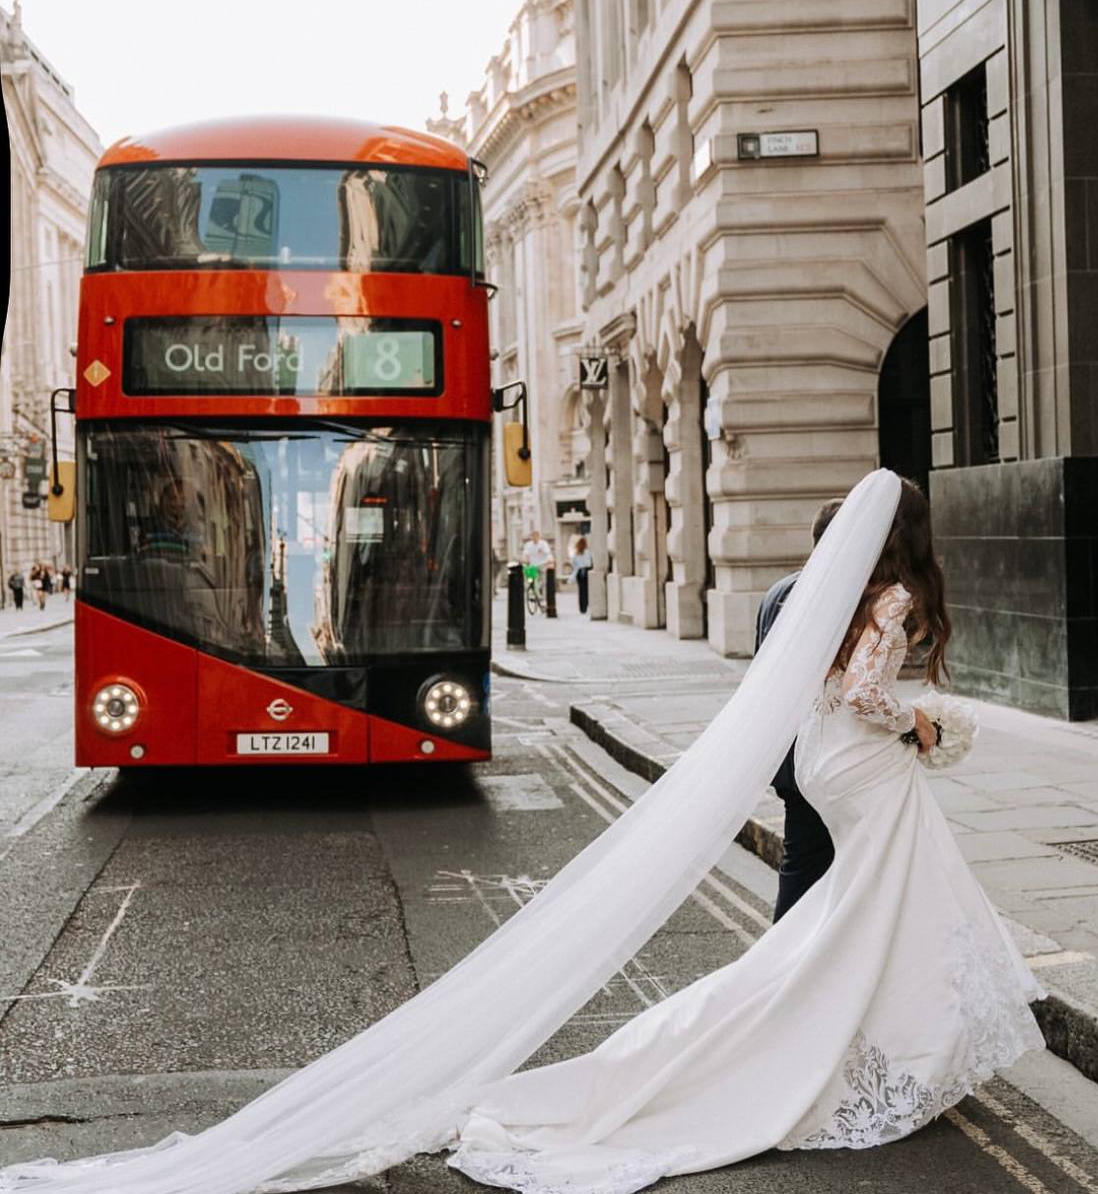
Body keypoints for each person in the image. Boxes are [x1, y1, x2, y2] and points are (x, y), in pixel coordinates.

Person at [0, 471, 1045, 1194]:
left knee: (855, 913)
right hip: (864, 763)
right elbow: (866, 689)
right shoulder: (894, 594)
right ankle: (870, 1042)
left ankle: (864, 1034)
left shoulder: (822, 588)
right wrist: (919, 718)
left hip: (825, 767)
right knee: (872, 907)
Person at [755, 498, 841, 921]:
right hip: (818, 756)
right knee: (808, 868)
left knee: (808, 864)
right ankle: (782, 968)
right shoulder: (828, 597)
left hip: (786, 754)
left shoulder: (778, 590)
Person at [520, 529, 552, 596]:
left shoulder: (543, 544)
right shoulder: (528, 545)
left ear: (539, 537)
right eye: (533, 537)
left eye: (536, 537)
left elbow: (548, 554)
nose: (535, 538)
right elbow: (525, 555)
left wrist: (549, 560)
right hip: (533, 565)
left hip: (542, 564)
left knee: (543, 582)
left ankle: (543, 596)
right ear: (531, 537)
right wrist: (525, 560)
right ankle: (536, 594)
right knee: (533, 580)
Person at [568, 536, 594, 614]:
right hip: (587, 571)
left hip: (579, 573)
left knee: (581, 590)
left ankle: (582, 608)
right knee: (587, 590)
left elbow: (573, 564)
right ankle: (587, 604)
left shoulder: (576, 553)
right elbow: (591, 562)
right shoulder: (588, 552)